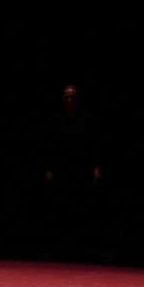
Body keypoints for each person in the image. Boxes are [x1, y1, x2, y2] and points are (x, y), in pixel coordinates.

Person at [39, 84, 103, 257]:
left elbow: (95, 146)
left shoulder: (87, 120)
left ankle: (80, 248)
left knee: (80, 206)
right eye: (66, 96)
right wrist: (48, 168)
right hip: (61, 170)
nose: (69, 100)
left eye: (72, 96)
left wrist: (96, 167)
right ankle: (60, 247)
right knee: (60, 206)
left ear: (77, 99)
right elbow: (48, 146)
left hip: (81, 169)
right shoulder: (56, 120)